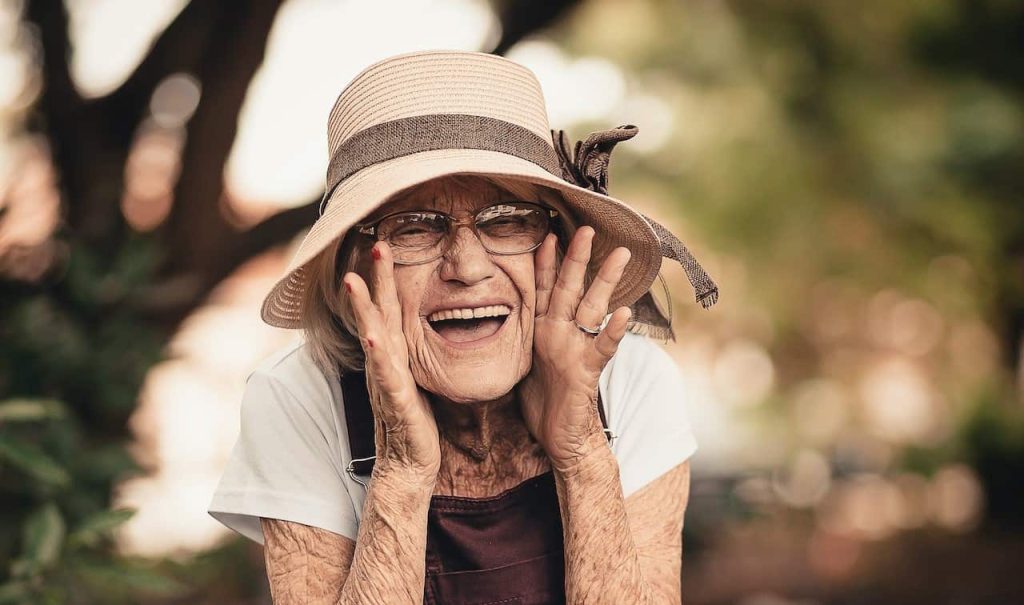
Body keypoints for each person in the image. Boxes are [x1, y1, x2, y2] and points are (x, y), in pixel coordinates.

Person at [208, 49, 719, 605]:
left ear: (559, 243)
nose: (468, 269)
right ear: (352, 264)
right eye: (413, 228)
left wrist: (581, 452)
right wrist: (402, 470)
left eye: (507, 220)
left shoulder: (630, 382)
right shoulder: (300, 397)